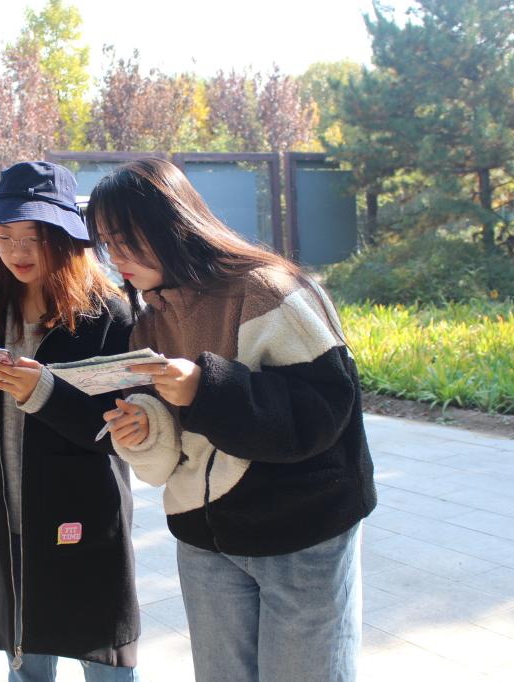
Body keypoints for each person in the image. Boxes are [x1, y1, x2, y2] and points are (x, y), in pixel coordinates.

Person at [88, 158, 377, 682]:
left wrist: (206, 388)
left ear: (171, 223)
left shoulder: (266, 289)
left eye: (125, 239)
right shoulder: (149, 322)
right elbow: (165, 453)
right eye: (107, 242)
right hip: (205, 543)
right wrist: (143, 430)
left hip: (301, 534)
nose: (116, 258)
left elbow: (324, 411)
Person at [0, 161, 140, 681]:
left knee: (105, 664)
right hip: (7, 522)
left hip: (83, 523)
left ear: (65, 236)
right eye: (5, 235)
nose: (17, 250)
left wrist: (44, 393)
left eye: (33, 236)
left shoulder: (109, 315)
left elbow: (123, 432)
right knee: (27, 665)